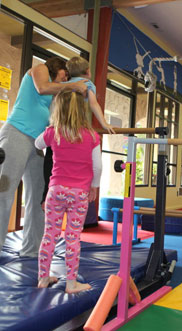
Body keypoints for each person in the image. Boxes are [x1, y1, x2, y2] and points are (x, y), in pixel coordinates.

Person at [0, 57, 87, 257]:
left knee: (40, 197)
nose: (64, 80)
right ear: (58, 68)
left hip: (38, 143)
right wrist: (72, 85)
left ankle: (31, 250)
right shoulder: (40, 70)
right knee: (4, 192)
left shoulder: (54, 92)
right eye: (64, 75)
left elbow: (51, 117)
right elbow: (41, 88)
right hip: (17, 134)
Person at [35, 88, 102, 293]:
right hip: (79, 193)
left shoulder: (53, 132)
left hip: (56, 191)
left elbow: (37, 144)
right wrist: (94, 186)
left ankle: (43, 278)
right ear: (82, 112)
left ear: (58, 111)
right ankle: (71, 283)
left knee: (49, 235)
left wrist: (51, 132)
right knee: (73, 237)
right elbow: (97, 166)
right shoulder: (91, 135)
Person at [40, 56, 115, 205]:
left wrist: (51, 124)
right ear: (88, 71)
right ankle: (77, 189)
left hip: (58, 128)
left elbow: (55, 103)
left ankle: (47, 194)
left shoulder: (64, 84)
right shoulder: (87, 84)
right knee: (79, 158)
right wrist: (105, 123)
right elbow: (93, 104)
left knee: (52, 158)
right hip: (75, 128)